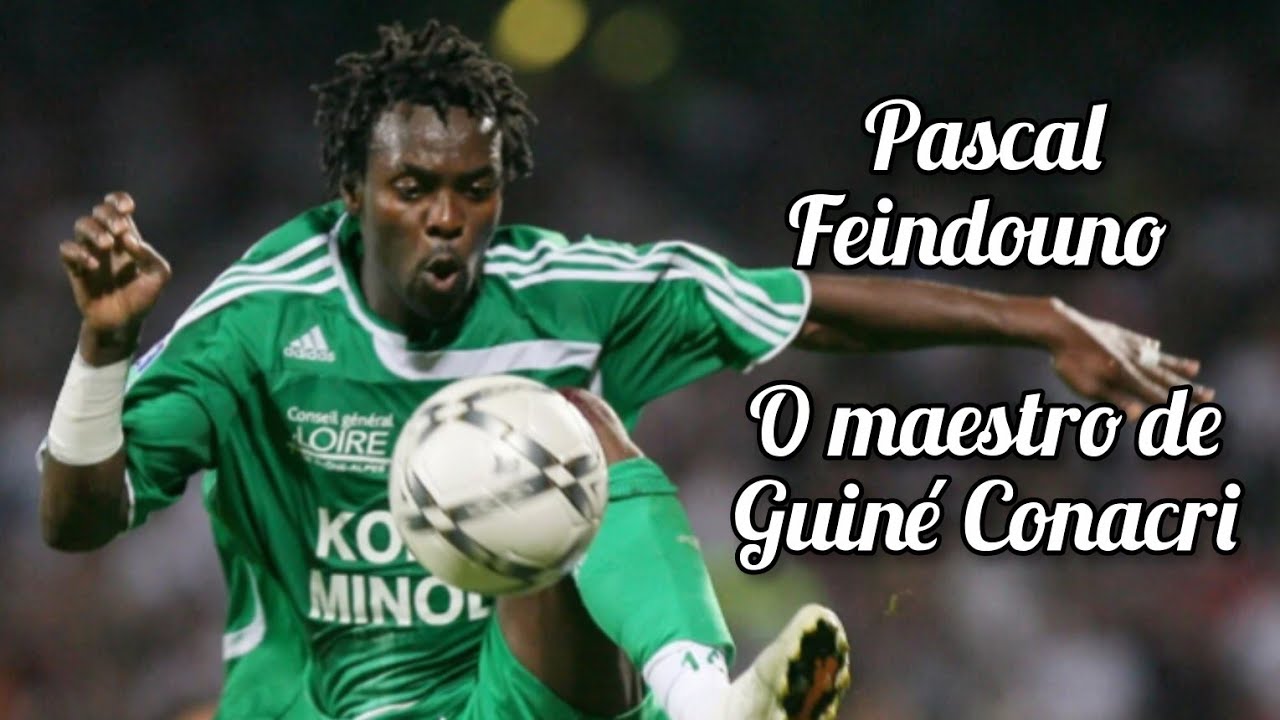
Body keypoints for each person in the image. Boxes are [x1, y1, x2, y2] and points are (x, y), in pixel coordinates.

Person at [39, 20, 1210, 720]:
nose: (447, 218)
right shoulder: (257, 318)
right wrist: (102, 348)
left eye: (473, 190)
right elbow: (78, 521)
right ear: (351, 190)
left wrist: (1038, 318)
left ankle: (705, 700)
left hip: (522, 695)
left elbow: (805, 309)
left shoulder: (564, 292)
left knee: (564, 419)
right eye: (413, 190)